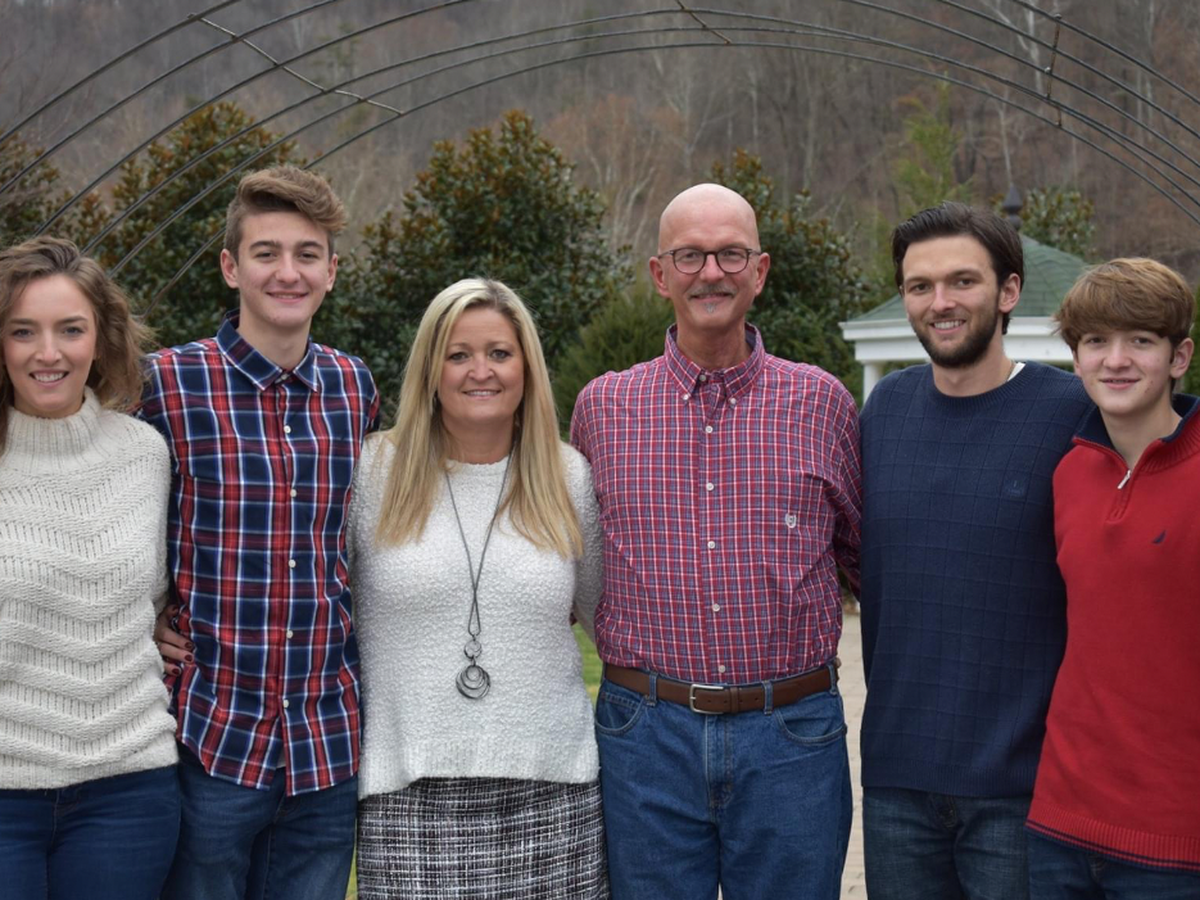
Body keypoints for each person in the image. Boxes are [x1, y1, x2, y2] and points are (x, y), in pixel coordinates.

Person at [571, 183, 862, 899]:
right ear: (659, 274)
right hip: (646, 737)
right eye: (690, 256)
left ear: (759, 271)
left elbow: (866, 561)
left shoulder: (821, 403)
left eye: (731, 254)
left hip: (791, 735)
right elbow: (573, 564)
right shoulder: (603, 408)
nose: (711, 272)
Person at [143, 166, 379, 900]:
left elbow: (360, 539)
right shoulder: (166, 384)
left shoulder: (353, 387)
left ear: (331, 271)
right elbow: (110, 515)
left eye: (307, 254)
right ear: (230, 266)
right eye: (266, 252)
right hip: (212, 732)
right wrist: (142, 617)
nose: (287, 272)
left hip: (326, 738)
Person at [858, 202, 1092, 899]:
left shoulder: (1074, 413)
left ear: (1009, 290)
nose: (941, 302)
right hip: (897, 781)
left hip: (1022, 788)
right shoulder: (884, 411)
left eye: (962, 281)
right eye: (920, 286)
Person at [349, 278, 607, 899]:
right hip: (408, 795)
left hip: (554, 795)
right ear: (430, 370)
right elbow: (317, 602)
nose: (480, 371)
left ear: (526, 367)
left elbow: (610, 623)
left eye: (499, 353)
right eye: (458, 354)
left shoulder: (568, 476)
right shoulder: (372, 472)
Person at [0, 236, 179, 899]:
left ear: (101, 340)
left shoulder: (144, 454)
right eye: (23, 331)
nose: (48, 353)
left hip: (128, 791)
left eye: (70, 330)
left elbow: (151, 596)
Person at [1026, 258, 1200, 897]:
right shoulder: (1070, 473)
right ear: (1076, 359)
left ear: (1179, 357)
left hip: (1176, 842)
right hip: (1059, 825)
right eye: (1097, 341)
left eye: (1141, 340)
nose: (1117, 360)